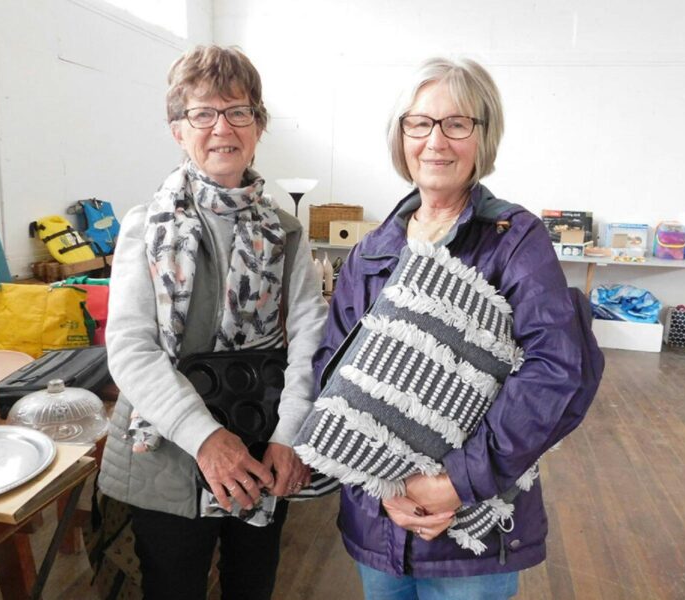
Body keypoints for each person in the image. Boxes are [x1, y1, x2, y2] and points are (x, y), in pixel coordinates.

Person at [311, 57, 604, 599]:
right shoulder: (373, 253)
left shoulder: (514, 240)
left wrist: (453, 486)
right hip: (380, 523)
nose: (435, 141)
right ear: (400, 136)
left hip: (471, 542)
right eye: (419, 123)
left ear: (482, 135)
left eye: (457, 123)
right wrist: (385, 489)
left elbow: (554, 371)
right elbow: (330, 375)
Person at [98, 45, 327, 599]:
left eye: (238, 111)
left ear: (257, 125)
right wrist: (205, 439)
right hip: (170, 456)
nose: (221, 127)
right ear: (179, 129)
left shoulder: (286, 233)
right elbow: (130, 347)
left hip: (262, 446)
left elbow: (309, 340)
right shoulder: (143, 226)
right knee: (172, 586)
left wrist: (290, 433)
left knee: (253, 586)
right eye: (203, 113)